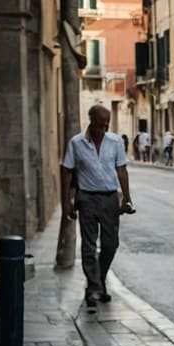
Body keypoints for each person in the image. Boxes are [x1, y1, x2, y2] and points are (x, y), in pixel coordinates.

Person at [61, 105, 135, 308]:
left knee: (111, 244)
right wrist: (66, 201)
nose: (105, 127)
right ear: (91, 120)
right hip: (86, 199)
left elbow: (121, 169)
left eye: (107, 123)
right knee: (89, 245)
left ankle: (99, 280)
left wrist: (126, 198)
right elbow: (66, 171)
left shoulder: (116, 141)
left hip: (110, 198)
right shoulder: (76, 143)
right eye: (101, 123)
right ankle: (93, 288)